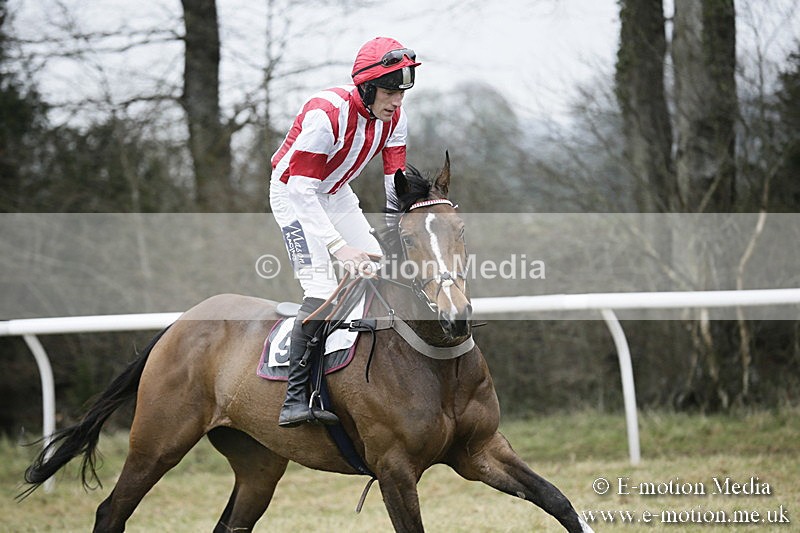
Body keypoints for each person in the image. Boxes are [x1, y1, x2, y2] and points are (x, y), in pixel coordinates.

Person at [269, 37, 421, 427]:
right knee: (320, 289)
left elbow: (394, 182)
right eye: (389, 92)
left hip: (336, 193)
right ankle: (294, 398)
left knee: (382, 270)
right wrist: (338, 247)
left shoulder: (395, 119)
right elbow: (302, 190)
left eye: (402, 93)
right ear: (367, 88)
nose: (396, 103)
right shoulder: (326, 114)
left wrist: (396, 235)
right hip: (293, 193)